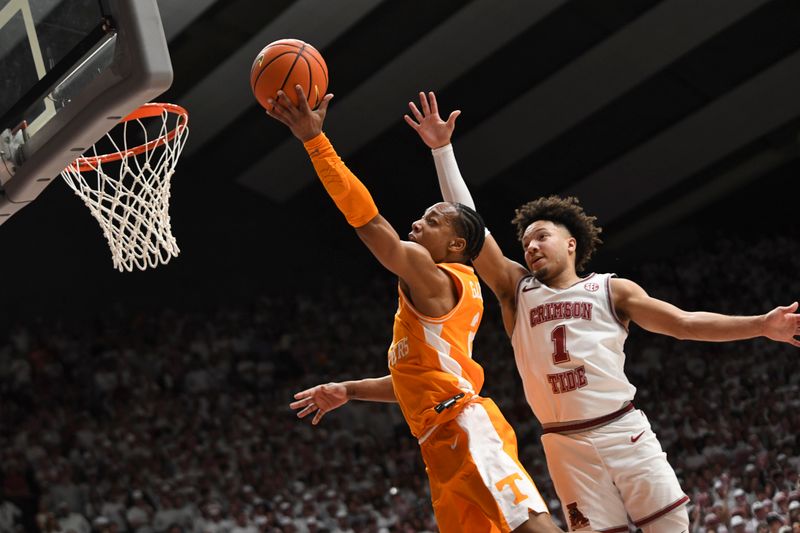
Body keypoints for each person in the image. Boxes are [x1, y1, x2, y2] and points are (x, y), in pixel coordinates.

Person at [402, 90, 800, 532]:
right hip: (564, 444)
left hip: (621, 430)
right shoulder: (517, 290)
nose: (531, 246)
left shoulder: (612, 291)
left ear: (571, 242)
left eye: (542, 236)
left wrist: (762, 325)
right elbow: (470, 224)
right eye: (527, 241)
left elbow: (684, 324)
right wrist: (442, 150)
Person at [268, 85, 588, 533]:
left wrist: (315, 142)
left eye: (433, 221)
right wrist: (351, 390)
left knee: (533, 528)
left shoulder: (431, 274)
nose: (418, 223)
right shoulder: (436, 291)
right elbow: (414, 378)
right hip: (438, 442)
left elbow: (369, 223)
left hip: (464, 425)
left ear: (456, 245)